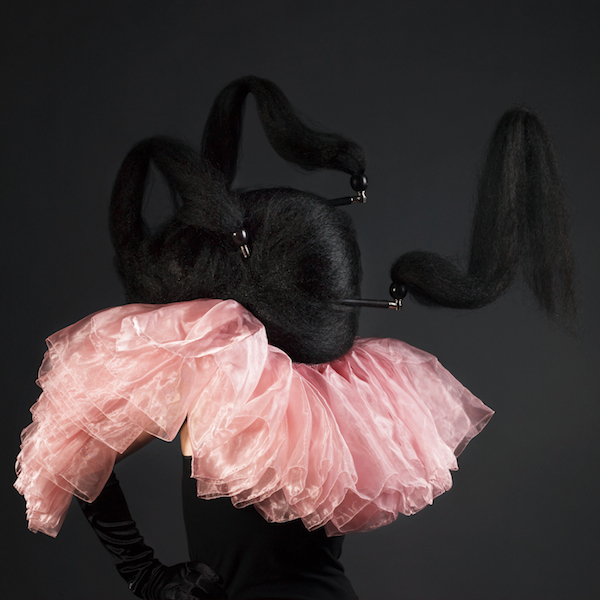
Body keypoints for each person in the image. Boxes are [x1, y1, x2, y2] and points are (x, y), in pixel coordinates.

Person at [15, 76, 576, 599]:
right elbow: (79, 450)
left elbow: (75, 448)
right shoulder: (338, 387)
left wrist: (147, 576)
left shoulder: (281, 384)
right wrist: (147, 577)